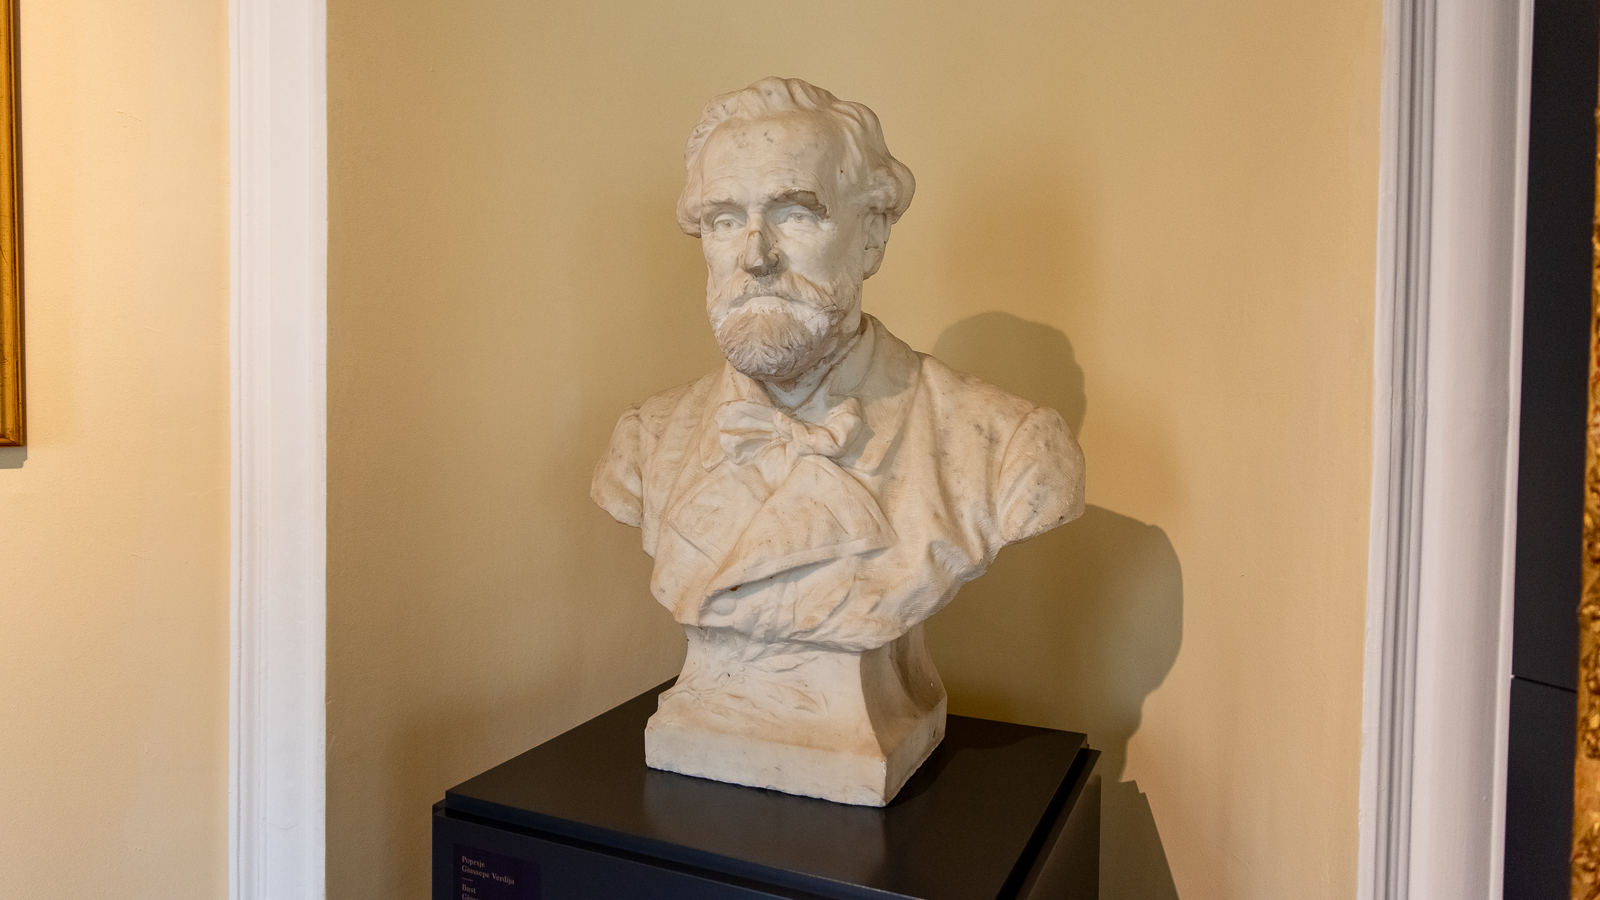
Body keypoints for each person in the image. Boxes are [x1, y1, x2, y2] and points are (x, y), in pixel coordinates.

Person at [590, 77, 1084, 804]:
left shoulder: (1006, 449)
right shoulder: (646, 440)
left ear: (872, 234)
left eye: (795, 214)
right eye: (725, 220)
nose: (755, 256)